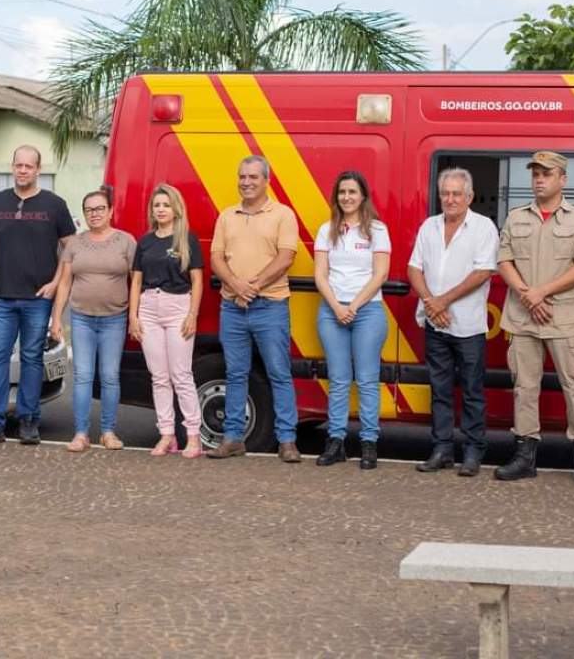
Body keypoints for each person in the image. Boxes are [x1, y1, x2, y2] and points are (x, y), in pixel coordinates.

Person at [494, 151, 574, 486]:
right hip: (524, 316)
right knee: (524, 387)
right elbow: (504, 260)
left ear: (562, 180)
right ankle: (525, 456)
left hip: (565, 316)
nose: (539, 179)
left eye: (547, 174)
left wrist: (541, 293)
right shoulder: (516, 217)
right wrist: (529, 294)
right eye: (536, 174)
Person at [0, 145, 76, 447]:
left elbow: (72, 246)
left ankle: (29, 421)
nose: (22, 170)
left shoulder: (54, 204)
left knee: (31, 358)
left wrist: (55, 282)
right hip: (2, 297)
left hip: (38, 299)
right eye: (18, 165)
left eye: (29, 166)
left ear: (38, 170)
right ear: (12, 167)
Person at [207, 155, 301, 462]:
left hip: (270, 305)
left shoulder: (283, 215)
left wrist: (253, 286)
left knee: (279, 373)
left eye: (253, 177)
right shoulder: (226, 216)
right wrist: (237, 286)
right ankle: (234, 438)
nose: (246, 182)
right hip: (232, 307)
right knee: (236, 373)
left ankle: (287, 440)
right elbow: (216, 259)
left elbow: (286, 257)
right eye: (242, 177)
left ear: (266, 181)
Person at [407, 168, 499, 476]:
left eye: (456, 193)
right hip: (436, 324)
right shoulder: (429, 226)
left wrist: (441, 301)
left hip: (468, 326)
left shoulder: (484, 227)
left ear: (469, 196)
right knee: (440, 390)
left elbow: (483, 272)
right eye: (445, 193)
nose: (450, 199)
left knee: (472, 391)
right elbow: (414, 269)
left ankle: (473, 452)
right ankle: (442, 449)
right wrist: (432, 304)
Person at [313, 170, 391, 470]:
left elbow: (380, 274)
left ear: (363, 197)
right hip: (332, 311)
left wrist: (353, 306)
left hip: (367, 311)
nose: (347, 197)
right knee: (339, 380)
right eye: (342, 192)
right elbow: (320, 274)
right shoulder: (326, 230)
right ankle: (336, 442)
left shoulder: (377, 230)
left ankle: (369, 443)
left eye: (352, 192)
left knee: (368, 380)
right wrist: (336, 306)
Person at [50, 190, 135, 452]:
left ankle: (108, 432)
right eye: (89, 210)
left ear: (110, 211)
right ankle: (81, 433)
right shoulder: (74, 244)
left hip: (115, 319)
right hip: (82, 319)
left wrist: (134, 316)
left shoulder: (126, 242)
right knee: (83, 376)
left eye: (99, 209)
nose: (94, 214)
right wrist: (56, 319)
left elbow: (136, 282)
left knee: (109, 377)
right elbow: (65, 283)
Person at [129, 184, 205, 458]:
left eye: (165, 205)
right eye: (156, 205)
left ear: (175, 209)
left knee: (181, 375)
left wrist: (192, 315)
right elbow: (136, 279)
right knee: (159, 377)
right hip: (149, 307)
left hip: (178, 307)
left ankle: (193, 437)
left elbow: (197, 280)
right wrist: (133, 317)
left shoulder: (187, 239)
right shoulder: (145, 242)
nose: (160, 209)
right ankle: (167, 435)